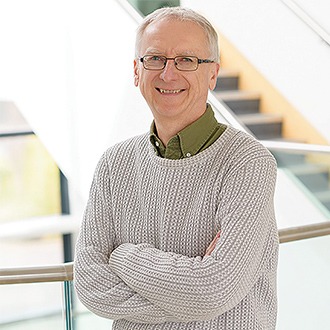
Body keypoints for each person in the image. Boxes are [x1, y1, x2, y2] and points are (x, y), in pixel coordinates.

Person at [74, 6, 278, 330]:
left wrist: (123, 257)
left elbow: (214, 290)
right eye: (154, 59)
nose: (168, 74)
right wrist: (187, 295)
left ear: (213, 73)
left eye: (187, 60)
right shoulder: (114, 164)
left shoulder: (248, 163)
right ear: (136, 71)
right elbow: (88, 282)